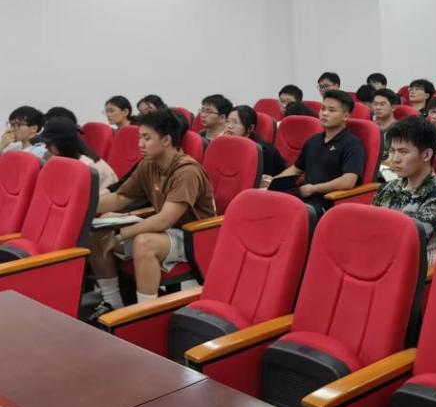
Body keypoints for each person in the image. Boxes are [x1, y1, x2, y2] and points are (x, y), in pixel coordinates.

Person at [86, 109, 215, 318]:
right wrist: (84, 205)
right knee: (96, 233)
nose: (140, 144)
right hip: (167, 231)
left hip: (194, 236)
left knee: (144, 242)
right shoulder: (149, 164)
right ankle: (113, 303)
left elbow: (165, 219)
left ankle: (144, 315)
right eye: (140, 137)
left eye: (146, 138)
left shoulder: (187, 172)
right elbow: (120, 198)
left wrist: (121, 235)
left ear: (166, 140)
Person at [372, 116, 436, 266]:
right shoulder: (387, 187)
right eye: (392, 151)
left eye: (403, 152)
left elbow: (407, 239)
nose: (395, 159)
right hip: (379, 255)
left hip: (412, 265)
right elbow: (370, 226)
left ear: (426, 155)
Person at [273, 90, 365, 215]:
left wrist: (314, 189)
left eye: (331, 110)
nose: (324, 113)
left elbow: (348, 181)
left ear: (345, 116)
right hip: (302, 198)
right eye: (323, 109)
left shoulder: (352, 144)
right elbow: (295, 169)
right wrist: (273, 182)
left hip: (328, 204)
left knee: (288, 212)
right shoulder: (313, 141)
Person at [33, 116, 118, 191]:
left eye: (49, 144)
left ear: (63, 144)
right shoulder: (63, 160)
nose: (46, 147)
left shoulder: (89, 168)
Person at [225, 104, 285, 179]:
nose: (229, 126)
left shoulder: (262, 150)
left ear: (250, 128)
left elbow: (265, 180)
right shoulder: (227, 143)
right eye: (227, 121)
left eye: (235, 122)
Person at [371, 88, 401, 165]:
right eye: (375, 104)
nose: (377, 107)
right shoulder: (369, 127)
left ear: (393, 107)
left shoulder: (400, 129)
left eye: (382, 104)